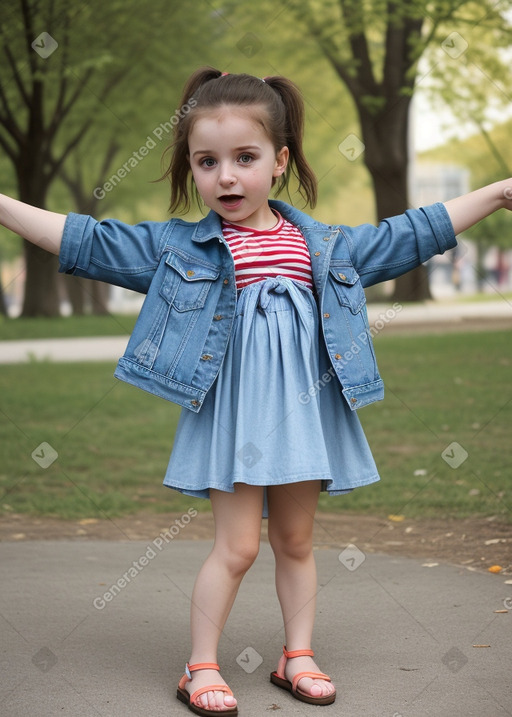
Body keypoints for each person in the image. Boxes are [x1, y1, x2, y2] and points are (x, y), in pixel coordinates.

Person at [1, 67, 510, 716]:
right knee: (236, 546)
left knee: (296, 542)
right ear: (191, 168)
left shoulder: (320, 245)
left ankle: (297, 654)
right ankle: (201, 665)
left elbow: (408, 233)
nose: (227, 176)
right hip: (236, 419)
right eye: (206, 162)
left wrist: (494, 194)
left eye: (245, 158)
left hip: (305, 417)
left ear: (280, 162)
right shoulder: (180, 247)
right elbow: (86, 240)